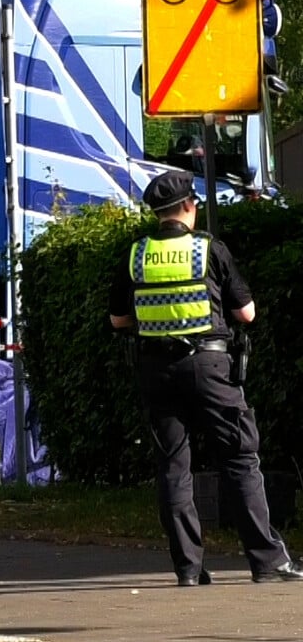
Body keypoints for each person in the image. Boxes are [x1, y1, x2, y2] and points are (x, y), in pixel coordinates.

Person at [108, 169, 303, 586]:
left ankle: (189, 569)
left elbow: (118, 318)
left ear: (157, 213)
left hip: (157, 370)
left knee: (174, 467)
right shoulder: (208, 249)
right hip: (210, 368)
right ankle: (267, 562)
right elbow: (246, 313)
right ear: (189, 207)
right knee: (239, 459)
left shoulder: (136, 254)